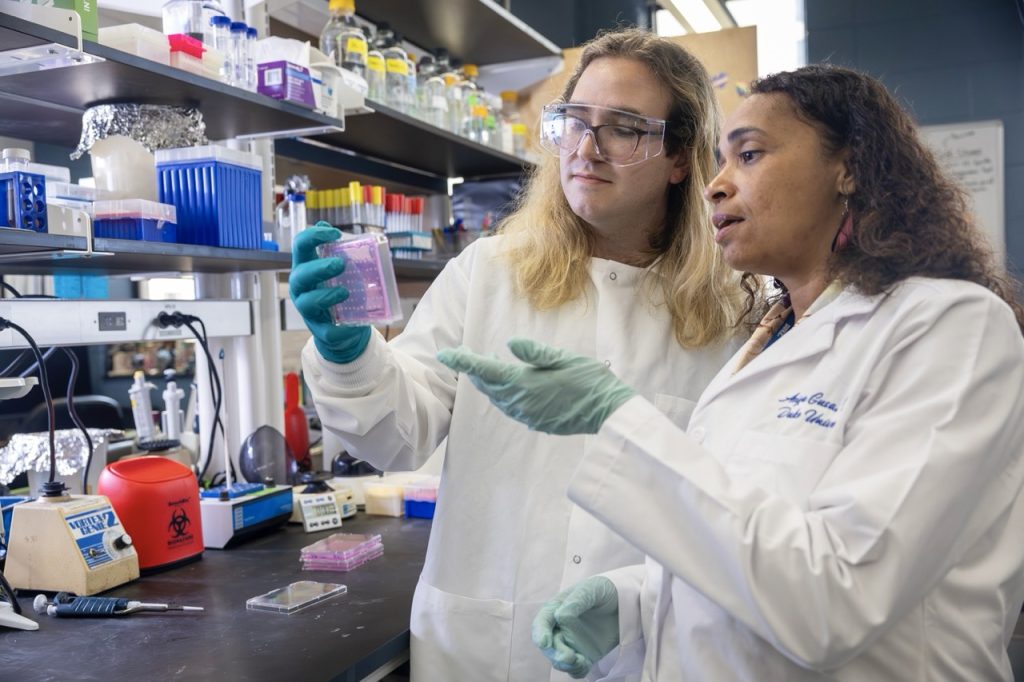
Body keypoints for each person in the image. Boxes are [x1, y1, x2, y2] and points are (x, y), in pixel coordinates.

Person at [438, 64, 1024, 680]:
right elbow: (750, 536)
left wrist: (618, 422)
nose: (715, 185)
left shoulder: (950, 326)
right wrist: (636, 600)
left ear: (848, 167)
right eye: (720, 161)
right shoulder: (767, 342)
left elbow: (837, 598)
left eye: (749, 155)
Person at [289, 28, 747, 681]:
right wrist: (348, 352)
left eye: (622, 129)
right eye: (573, 122)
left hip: (641, 652)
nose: (586, 149)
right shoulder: (490, 272)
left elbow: (730, 509)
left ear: (680, 157)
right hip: (481, 649)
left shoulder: (730, 311)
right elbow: (398, 435)